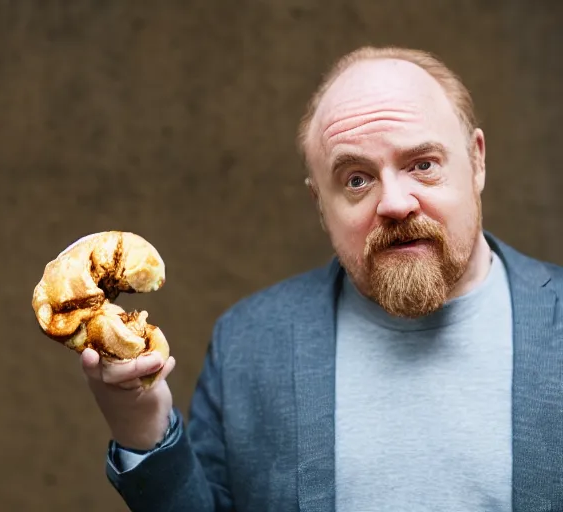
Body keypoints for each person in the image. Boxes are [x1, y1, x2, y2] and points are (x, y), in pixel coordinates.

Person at [81, 46, 563, 511]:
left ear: (476, 161)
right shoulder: (249, 343)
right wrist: (141, 427)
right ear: (320, 205)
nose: (395, 203)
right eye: (356, 179)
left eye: (423, 165)